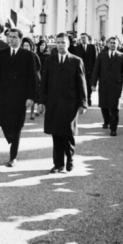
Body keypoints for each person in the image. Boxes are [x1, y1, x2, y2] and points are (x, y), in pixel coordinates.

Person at [39, 32, 87, 173]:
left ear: (68, 44)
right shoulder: (50, 60)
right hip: (53, 103)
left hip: (70, 104)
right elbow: (44, 83)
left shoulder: (76, 61)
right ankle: (58, 163)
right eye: (58, 42)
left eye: (63, 42)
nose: (60, 45)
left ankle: (70, 158)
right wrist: (41, 101)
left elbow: (81, 84)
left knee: (67, 134)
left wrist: (83, 103)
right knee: (56, 134)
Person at [0, 29, 37, 167]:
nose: (10, 39)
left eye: (14, 37)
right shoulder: (1, 53)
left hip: (20, 96)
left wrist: (30, 97)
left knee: (16, 126)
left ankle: (13, 156)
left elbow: (32, 78)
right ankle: (11, 139)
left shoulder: (28, 55)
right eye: (9, 37)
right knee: (2, 123)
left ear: (20, 39)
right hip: (4, 94)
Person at [92, 37, 123, 136]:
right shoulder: (101, 55)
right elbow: (96, 70)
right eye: (111, 43)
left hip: (116, 85)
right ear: (107, 44)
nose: (113, 44)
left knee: (114, 107)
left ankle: (113, 128)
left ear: (118, 45)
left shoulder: (122, 56)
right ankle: (106, 121)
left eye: (115, 43)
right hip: (104, 84)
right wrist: (93, 84)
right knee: (104, 105)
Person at [75, 33, 97, 106]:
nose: (83, 39)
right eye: (81, 38)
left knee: (89, 85)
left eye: (84, 37)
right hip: (80, 69)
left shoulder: (92, 47)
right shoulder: (77, 48)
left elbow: (95, 59)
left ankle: (88, 98)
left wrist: (94, 70)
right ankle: (82, 99)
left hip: (89, 70)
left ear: (87, 38)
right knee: (81, 84)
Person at [21, 37, 41, 120]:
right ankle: (23, 111)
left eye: (28, 45)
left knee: (32, 95)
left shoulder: (34, 55)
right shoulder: (20, 55)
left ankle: (32, 112)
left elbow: (39, 66)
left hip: (32, 78)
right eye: (24, 45)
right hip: (23, 79)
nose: (26, 47)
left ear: (31, 46)